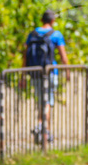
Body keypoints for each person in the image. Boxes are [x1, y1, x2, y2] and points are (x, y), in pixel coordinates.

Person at [23, 10, 69, 143]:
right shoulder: (56, 34)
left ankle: (44, 132)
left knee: (41, 102)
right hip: (50, 72)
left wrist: (23, 75)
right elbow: (63, 55)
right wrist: (67, 71)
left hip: (35, 72)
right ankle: (42, 128)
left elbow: (25, 55)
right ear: (53, 21)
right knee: (47, 102)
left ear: (42, 20)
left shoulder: (32, 34)